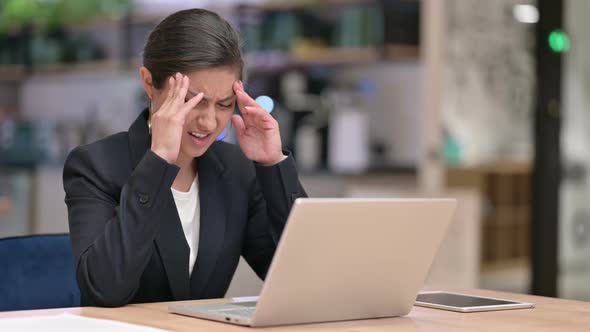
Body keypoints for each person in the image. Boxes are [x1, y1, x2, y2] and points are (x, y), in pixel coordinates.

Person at [63, 8, 307, 307]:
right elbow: (105, 290)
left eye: (224, 104)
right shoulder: (95, 166)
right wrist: (158, 162)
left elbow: (304, 280)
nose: (207, 122)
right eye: (192, 101)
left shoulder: (236, 170)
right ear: (149, 82)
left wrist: (273, 165)